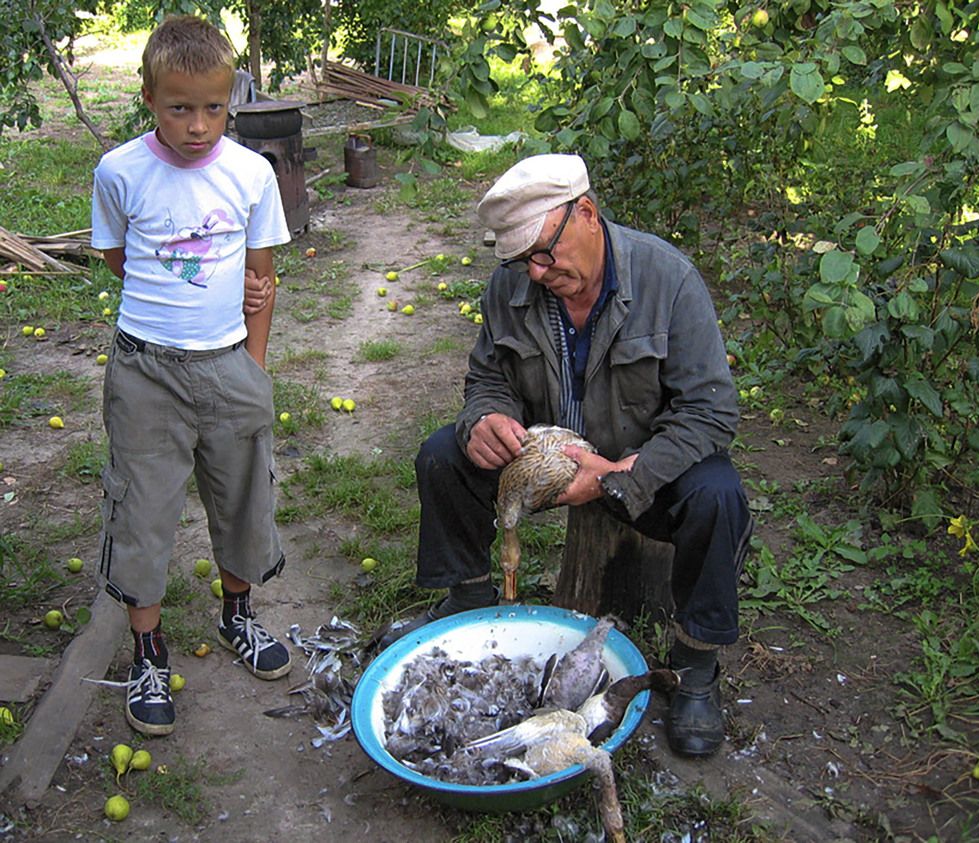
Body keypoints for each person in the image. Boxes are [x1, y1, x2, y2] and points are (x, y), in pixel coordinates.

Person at [379, 154, 753, 758]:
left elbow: (709, 411)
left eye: (545, 252)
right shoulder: (514, 286)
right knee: (443, 455)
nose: (536, 270)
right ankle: (470, 602)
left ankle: (695, 665)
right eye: (522, 258)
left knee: (717, 493)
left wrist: (618, 478)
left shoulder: (668, 279)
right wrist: (485, 420)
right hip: (543, 457)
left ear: (586, 212)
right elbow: (487, 379)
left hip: (639, 467)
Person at [90, 15, 291, 736]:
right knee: (142, 510)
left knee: (241, 498)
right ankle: (147, 650)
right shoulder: (119, 172)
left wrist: (254, 371)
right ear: (148, 97)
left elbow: (262, 278)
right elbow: (119, 259)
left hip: (229, 366)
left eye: (213, 107)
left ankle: (239, 613)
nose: (198, 125)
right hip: (146, 372)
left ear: (230, 99)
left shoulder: (251, 174)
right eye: (179, 107)